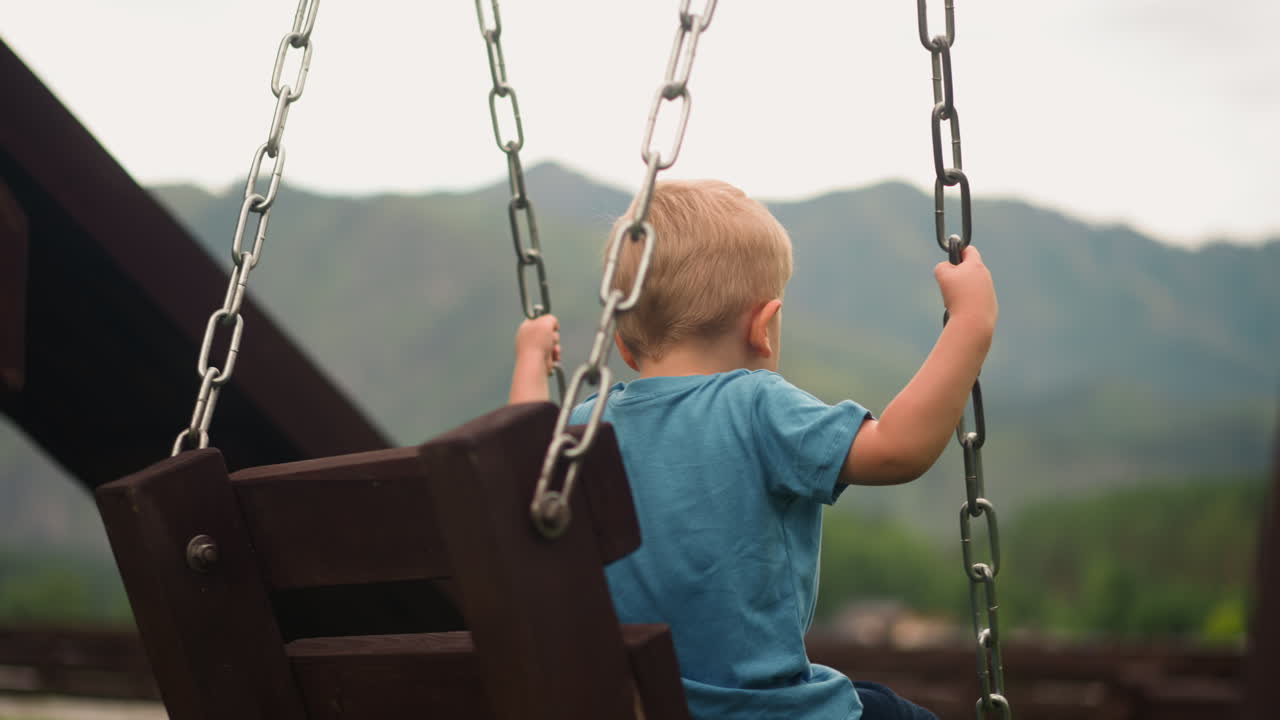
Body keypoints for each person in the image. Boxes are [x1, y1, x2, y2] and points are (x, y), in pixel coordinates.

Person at [508, 179, 996, 720]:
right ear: (763, 328)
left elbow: (525, 452)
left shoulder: (582, 427)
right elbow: (899, 449)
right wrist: (970, 326)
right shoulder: (755, 405)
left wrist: (531, 361)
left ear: (623, 345)